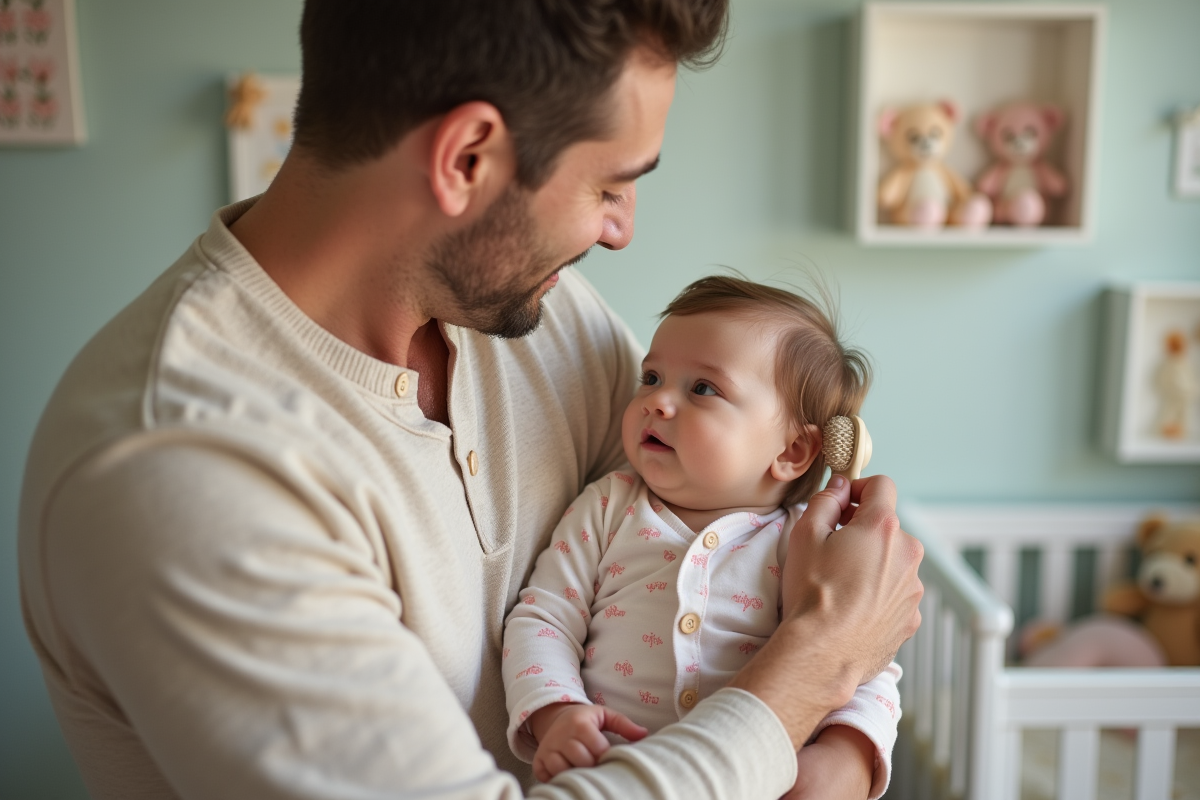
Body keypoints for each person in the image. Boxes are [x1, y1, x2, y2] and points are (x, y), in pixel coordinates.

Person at [18, 2, 923, 798]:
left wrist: (845, 735)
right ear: (468, 157)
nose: (621, 231)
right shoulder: (182, 468)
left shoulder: (540, 316)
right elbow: (818, 635)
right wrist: (816, 663)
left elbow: (731, 520)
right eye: (611, 185)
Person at [504, 277, 899, 800]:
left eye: (702, 389)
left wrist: (845, 755)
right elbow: (544, 618)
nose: (657, 402)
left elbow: (863, 660)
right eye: (650, 376)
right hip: (615, 772)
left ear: (794, 451)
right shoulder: (607, 508)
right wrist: (556, 714)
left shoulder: (804, 543)